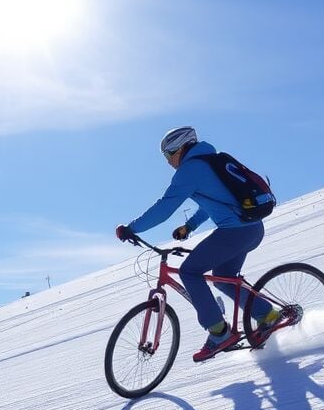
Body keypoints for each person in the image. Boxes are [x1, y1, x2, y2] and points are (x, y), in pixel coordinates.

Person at [115, 127, 280, 361]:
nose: (167, 161)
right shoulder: (210, 161)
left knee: (189, 271)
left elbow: (165, 207)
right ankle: (268, 316)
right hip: (252, 229)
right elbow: (213, 203)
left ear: (180, 148)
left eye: (168, 154)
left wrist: (132, 228)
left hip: (235, 233)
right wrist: (190, 226)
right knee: (223, 277)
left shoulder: (190, 170)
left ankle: (219, 332)